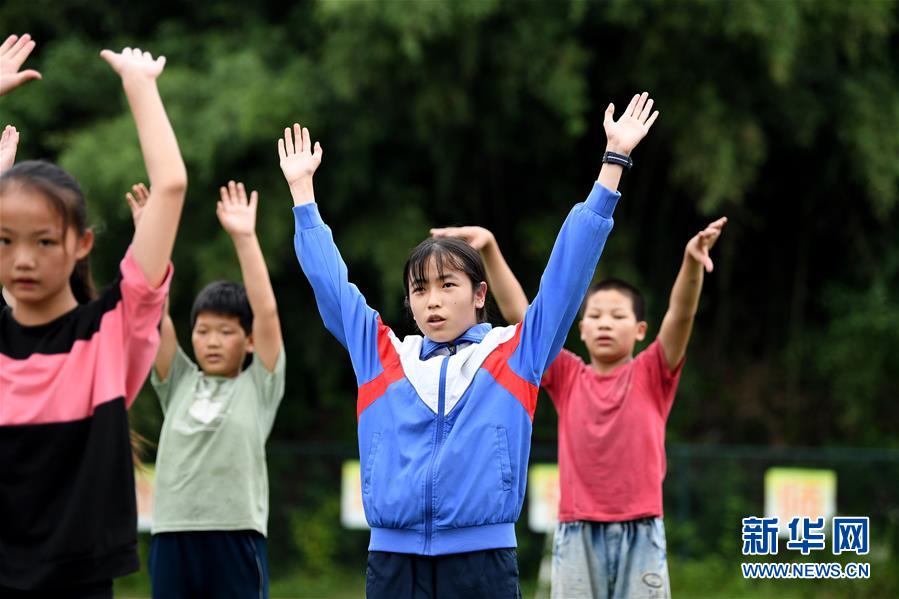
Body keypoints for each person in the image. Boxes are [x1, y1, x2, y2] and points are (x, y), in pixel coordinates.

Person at [281, 92, 659, 597]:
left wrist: (613, 164)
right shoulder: (383, 354)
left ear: (480, 294)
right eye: (420, 290)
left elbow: (567, 275)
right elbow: (332, 285)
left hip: (482, 561)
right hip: (392, 561)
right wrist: (302, 195)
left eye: (447, 285)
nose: (433, 300)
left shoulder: (515, 352)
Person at [434, 214, 727, 598]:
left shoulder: (654, 372)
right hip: (576, 528)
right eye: (595, 316)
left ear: (640, 330)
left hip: (641, 527)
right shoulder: (566, 375)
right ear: (582, 329)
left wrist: (691, 262)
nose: (605, 324)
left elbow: (681, 314)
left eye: (618, 316)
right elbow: (521, 315)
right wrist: (489, 248)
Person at [0, 43, 187, 597]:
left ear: (81, 244)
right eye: (5, 241)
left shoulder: (112, 332)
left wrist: (139, 85)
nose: (24, 259)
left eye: (43, 241)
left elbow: (170, 187)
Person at [124, 180, 285, 599]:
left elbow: (266, 313)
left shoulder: (259, 384)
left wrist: (245, 238)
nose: (212, 341)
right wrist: (150, 236)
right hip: (172, 535)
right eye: (203, 330)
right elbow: (153, 313)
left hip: (236, 536)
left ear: (249, 341)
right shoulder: (178, 380)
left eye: (226, 331)